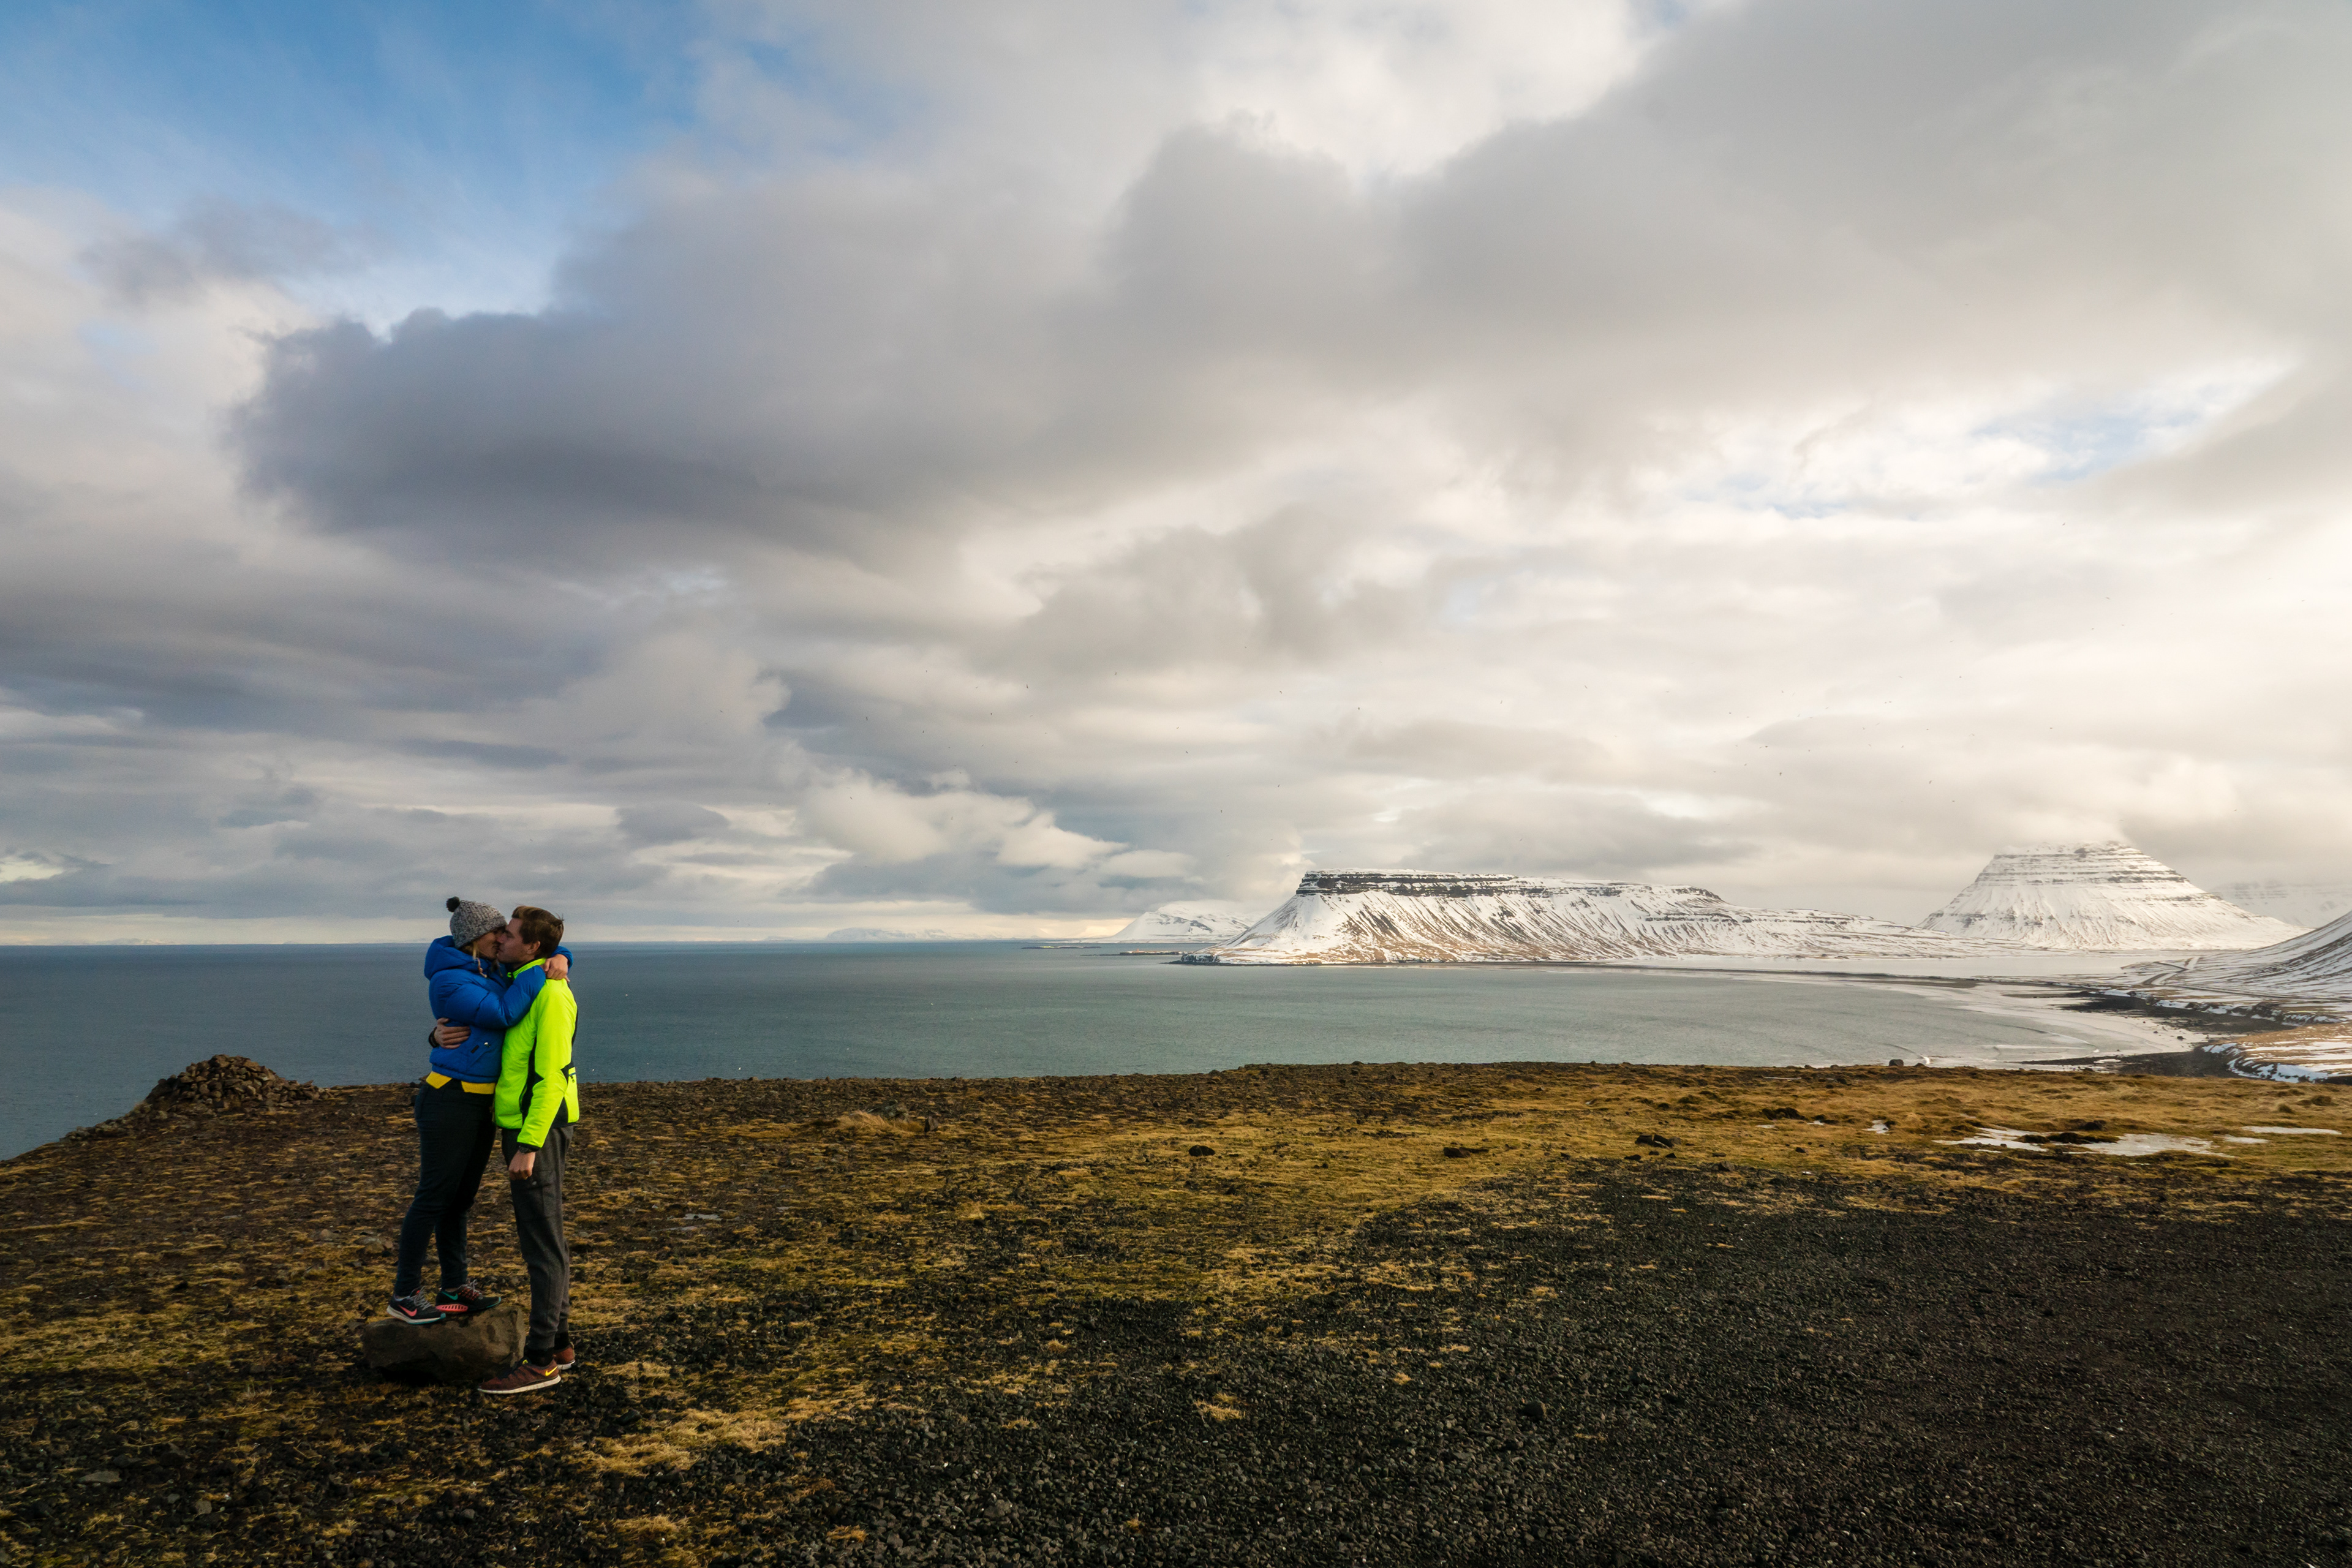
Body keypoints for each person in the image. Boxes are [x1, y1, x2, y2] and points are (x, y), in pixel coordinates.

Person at [388, 897, 570, 1327]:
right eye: (498, 933)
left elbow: (538, 948)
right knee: (433, 1197)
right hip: (449, 1099)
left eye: (508, 934)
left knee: (460, 1199)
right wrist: (541, 969)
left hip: (478, 1102)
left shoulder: (489, 968)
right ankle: (404, 1293)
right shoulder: (451, 981)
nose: (503, 939)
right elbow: (505, 1014)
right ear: (475, 938)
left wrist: (559, 956)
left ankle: (454, 1288)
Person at [478, 904, 581, 1395]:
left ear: (533, 947)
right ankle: (559, 1344)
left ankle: (541, 1361)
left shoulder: (553, 995)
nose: (502, 939)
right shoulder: (527, 977)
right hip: (524, 1127)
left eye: (512, 934)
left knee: (542, 1244)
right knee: (546, 1235)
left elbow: (553, 1077)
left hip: (537, 1131)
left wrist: (529, 1145)